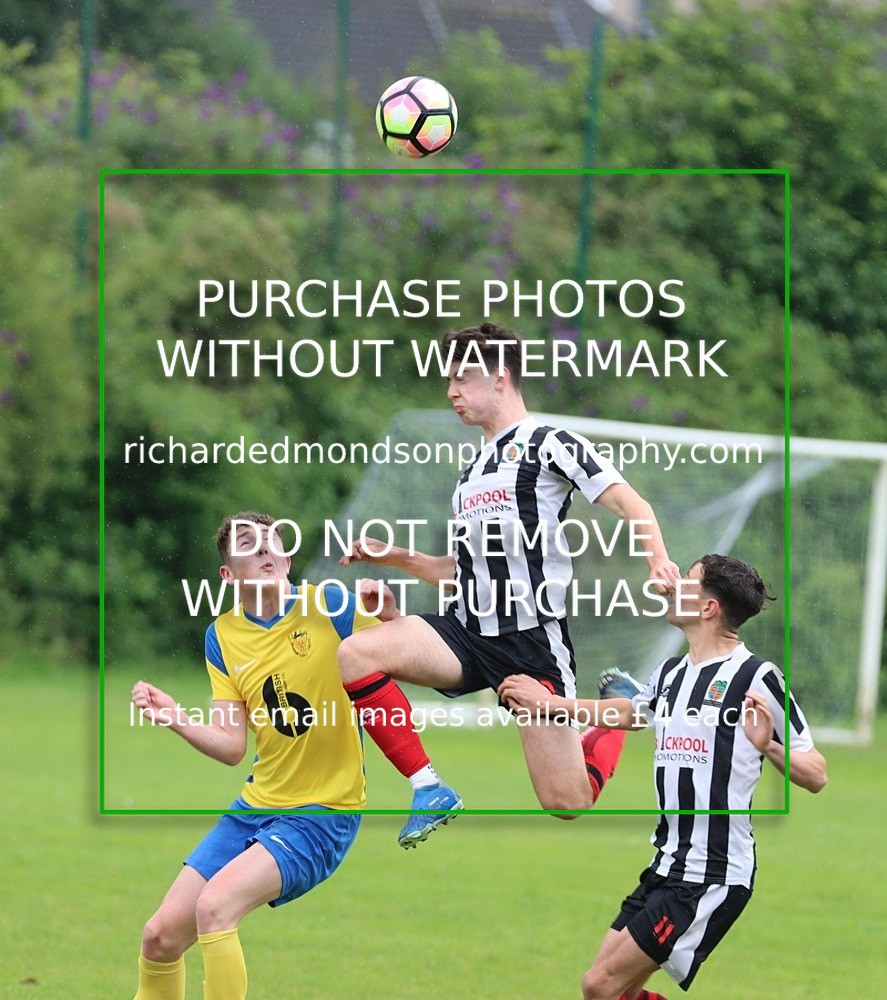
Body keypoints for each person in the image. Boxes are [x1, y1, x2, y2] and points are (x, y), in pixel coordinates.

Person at [338, 323, 682, 815]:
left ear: (500, 377)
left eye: (463, 377)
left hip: (529, 644)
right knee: (356, 654)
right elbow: (461, 572)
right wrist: (394, 556)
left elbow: (633, 504)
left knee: (566, 802)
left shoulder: (549, 442)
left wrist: (657, 559)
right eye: (448, 380)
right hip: (464, 632)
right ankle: (429, 788)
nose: (451, 391)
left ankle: (612, 713)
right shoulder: (469, 476)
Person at [130, 512, 458, 1000]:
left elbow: (414, 653)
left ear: (285, 559)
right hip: (256, 808)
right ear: (228, 575)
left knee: (215, 908)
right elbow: (231, 746)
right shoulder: (221, 637)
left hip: (323, 815)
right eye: (248, 544)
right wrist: (176, 716)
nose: (263, 548)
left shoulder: (329, 604)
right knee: (159, 938)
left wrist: (389, 615)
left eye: (271, 541)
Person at [497, 553, 828, 1000]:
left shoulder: (757, 677)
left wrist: (769, 745)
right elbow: (628, 712)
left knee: (599, 986)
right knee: (616, 990)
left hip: (712, 873)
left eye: (688, 583)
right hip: (668, 863)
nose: (674, 589)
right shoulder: (672, 673)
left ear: (709, 608)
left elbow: (816, 774)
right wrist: (550, 703)